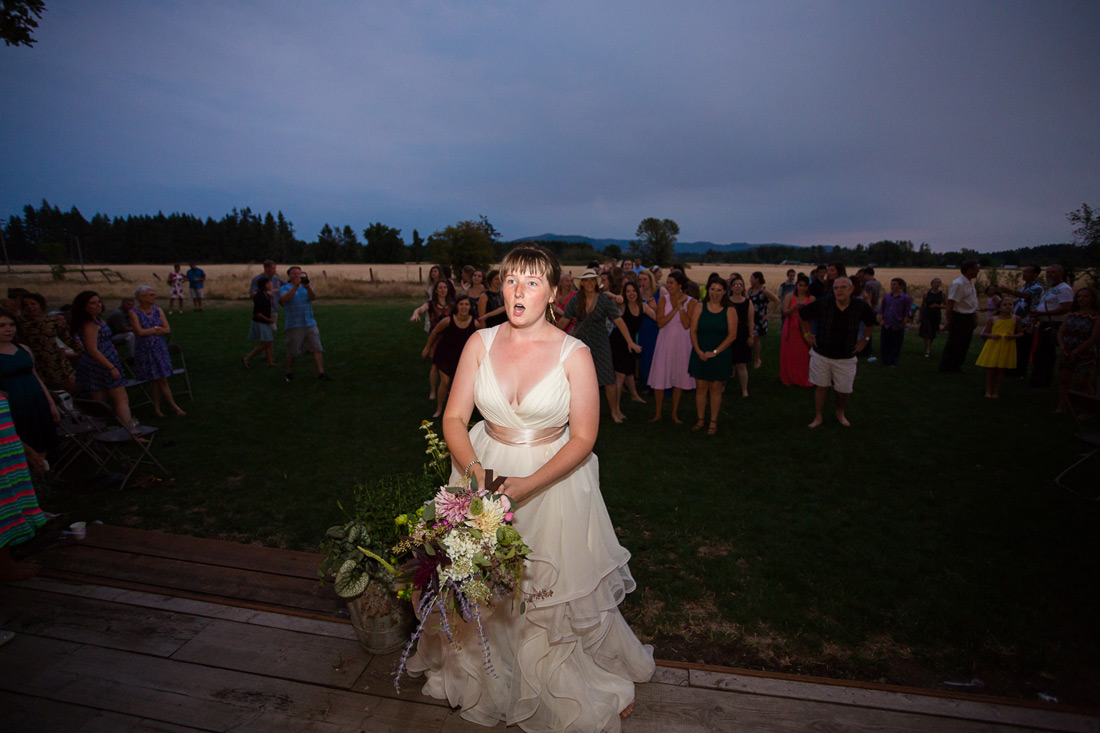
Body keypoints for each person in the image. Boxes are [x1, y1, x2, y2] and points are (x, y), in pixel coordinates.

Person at [407, 245, 654, 730]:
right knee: (484, 586)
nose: (519, 291)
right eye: (512, 280)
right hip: (482, 466)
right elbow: (455, 417)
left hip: (552, 482)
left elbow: (583, 437)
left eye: (532, 282)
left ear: (554, 294)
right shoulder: (479, 342)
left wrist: (522, 488)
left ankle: (563, 681)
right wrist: (478, 475)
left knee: (544, 594)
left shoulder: (575, 353)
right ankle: (491, 674)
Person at [559, 269, 640, 423]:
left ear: (596, 283)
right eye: (586, 280)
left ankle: (615, 412)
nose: (589, 283)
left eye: (592, 280)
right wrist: (547, 335)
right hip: (580, 344)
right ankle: (576, 413)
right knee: (578, 380)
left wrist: (630, 341)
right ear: (582, 283)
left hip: (601, 343)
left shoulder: (603, 300)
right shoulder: (575, 301)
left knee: (608, 379)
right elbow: (564, 322)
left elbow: (618, 320)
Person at [798, 277, 876, 428]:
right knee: (821, 387)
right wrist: (807, 335)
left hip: (846, 356)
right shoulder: (823, 303)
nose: (839, 290)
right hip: (821, 354)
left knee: (844, 390)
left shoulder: (859, 306)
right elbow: (802, 315)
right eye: (836, 288)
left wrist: (864, 339)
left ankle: (840, 412)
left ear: (851, 289)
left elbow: (871, 322)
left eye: (843, 287)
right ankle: (818, 416)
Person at [0, 308, 60, 469]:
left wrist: (51, 403)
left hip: (35, 398)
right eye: (2, 325)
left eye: (11, 324)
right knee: (23, 438)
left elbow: (36, 376)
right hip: (13, 404)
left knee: (42, 435)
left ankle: (45, 471)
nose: (9, 329)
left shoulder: (23, 349)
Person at [0, 394, 47, 582]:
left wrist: (27, 451)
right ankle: (5, 568)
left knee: (6, 510)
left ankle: (6, 562)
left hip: (7, 455)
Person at [70, 291, 135, 427]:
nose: (97, 305)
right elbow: (92, 349)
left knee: (99, 400)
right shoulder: (90, 325)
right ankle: (131, 431)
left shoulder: (98, 320)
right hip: (101, 364)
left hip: (105, 360)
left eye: (99, 302)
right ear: (84, 307)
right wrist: (111, 367)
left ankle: (98, 429)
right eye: (92, 303)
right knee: (121, 399)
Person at [688, 275, 736, 435]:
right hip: (700, 352)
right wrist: (698, 351)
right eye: (712, 289)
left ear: (724, 292)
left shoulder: (730, 310)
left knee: (715, 389)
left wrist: (714, 352)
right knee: (700, 388)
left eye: (719, 290)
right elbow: (693, 330)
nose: (715, 293)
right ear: (708, 290)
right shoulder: (700, 307)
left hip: (720, 354)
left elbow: (732, 335)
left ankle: (713, 422)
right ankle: (701, 419)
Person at [128, 286, 185, 417]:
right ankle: (171, 407)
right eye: (151, 295)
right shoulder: (134, 312)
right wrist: (155, 329)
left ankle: (161, 408)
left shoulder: (157, 310)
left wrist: (149, 331)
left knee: (160, 379)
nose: (154, 297)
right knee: (156, 379)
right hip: (145, 350)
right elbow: (138, 332)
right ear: (142, 298)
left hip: (159, 347)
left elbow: (167, 329)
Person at [647, 269, 695, 423]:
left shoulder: (691, 302)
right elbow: (660, 323)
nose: (668, 286)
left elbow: (687, 324)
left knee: (678, 377)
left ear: (680, 285)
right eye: (667, 283)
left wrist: (681, 307)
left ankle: (674, 413)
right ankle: (658, 413)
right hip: (665, 342)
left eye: (671, 283)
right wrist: (675, 307)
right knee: (660, 376)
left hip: (681, 343)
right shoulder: (663, 300)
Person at [423, 296, 479, 418]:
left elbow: (482, 338)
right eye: (461, 304)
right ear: (457, 306)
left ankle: (467, 410)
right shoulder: (448, 320)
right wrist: (427, 347)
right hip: (445, 354)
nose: (464, 307)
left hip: (463, 357)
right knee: (445, 381)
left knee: (467, 384)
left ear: (470, 307)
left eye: (466, 304)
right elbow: (434, 332)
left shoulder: (475, 323)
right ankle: (439, 409)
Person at [19, 293, 81, 393]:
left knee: (73, 387)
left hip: (56, 360)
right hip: (36, 362)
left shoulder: (52, 321)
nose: (30, 307)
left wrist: (82, 351)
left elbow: (67, 338)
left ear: (40, 304)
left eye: (33, 304)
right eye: (26, 305)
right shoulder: (20, 323)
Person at [609, 281, 654, 417]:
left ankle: (634, 396)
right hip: (618, 342)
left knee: (628, 372)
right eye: (628, 291)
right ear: (624, 294)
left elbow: (659, 318)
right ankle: (616, 409)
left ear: (638, 292)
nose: (631, 294)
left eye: (633, 291)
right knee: (620, 375)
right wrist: (614, 296)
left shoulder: (643, 306)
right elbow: (604, 294)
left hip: (631, 342)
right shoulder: (622, 305)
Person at [279, 266, 331, 382]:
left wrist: (307, 288)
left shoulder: (306, 287)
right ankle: (288, 373)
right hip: (294, 324)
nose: (297, 275)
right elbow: (285, 299)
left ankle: (321, 373)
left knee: (317, 348)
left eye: (299, 273)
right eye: (294, 273)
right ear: (289, 276)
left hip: (309, 322)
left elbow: (313, 297)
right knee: (292, 350)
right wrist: (296, 286)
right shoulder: (285, 288)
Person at [1055, 287, 1100, 413]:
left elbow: (1094, 337)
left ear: (1093, 299)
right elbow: (1061, 331)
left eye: (1085, 296)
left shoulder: (1096, 317)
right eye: (1079, 296)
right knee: (1064, 379)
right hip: (1067, 349)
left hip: (1086, 351)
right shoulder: (1071, 314)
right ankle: (1062, 406)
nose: (1081, 299)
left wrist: (1077, 351)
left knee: (1083, 381)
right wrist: (1062, 346)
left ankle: (1087, 410)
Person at [411, 279, 457, 401]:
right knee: (435, 365)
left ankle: (446, 388)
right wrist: (416, 313)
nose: (443, 290)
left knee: (449, 364)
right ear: (436, 290)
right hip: (436, 337)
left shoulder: (452, 304)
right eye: (440, 288)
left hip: (450, 338)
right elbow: (420, 309)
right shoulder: (431, 304)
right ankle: (432, 390)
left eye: (445, 288)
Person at [1030, 264, 1074, 388]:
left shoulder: (1064, 289)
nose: (1050, 275)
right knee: (1042, 353)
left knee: (1044, 353)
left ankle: (1042, 381)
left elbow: (1065, 307)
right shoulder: (1051, 289)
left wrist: (1043, 313)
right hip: (1045, 323)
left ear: (1061, 274)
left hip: (1054, 324)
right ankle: (1040, 379)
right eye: (1048, 272)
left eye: (1053, 272)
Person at [997, 264, 1044, 378]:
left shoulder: (1037, 287)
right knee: (1014, 346)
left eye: (1027, 272)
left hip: (1027, 321)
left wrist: (1009, 291)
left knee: (1023, 348)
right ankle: (1012, 369)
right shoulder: (1024, 286)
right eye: (1024, 271)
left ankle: (1020, 372)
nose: (1024, 274)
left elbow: (1026, 296)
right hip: (1018, 320)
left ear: (1035, 274)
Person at [975, 296, 1022, 399]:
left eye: (1010, 304)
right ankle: (988, 390)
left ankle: (996, 391)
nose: (1008, 307)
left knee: (1001, 369)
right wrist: (992, 336)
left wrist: (1013, 336)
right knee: (991, 368)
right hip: (994, 345)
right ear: (999, 307)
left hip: (1007, 345)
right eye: (1005, 305)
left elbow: (1021, 333)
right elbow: (985, 333)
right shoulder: (993, 319)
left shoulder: (1016, 319)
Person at [939, 261, 980, 374]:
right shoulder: (959, 284)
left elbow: (971, 301)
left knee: (964, 343)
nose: (978, 271)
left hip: (968, 316)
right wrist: (948, 321)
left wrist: (974, 315)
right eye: (976, 269)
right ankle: (947, 366)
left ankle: (956, 365)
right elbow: (951, 303)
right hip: (959, 317)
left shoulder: (970, 283)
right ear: (969, 270)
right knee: (954, 343)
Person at [780, 274, 814, 387]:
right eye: (800, 285)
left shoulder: (812, 298)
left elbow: (815, 315)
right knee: (790, 353)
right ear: (797, 285)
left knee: (804, 353)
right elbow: (784, 312)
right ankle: (789, 377)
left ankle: (803, 376)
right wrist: (793, 308)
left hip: (805, 327)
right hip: (791, 327)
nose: (802, 288)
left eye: (805, 286)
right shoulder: (790, 296)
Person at [636, 268, 664, 390]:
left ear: (650, 279)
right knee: (645, 355)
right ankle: (646, 383)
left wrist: (655, 308)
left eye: (645, 279)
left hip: (657, 327)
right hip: (643, 327)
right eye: (640, 280)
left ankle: (657, 383)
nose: (642, 282)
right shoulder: (638, 293)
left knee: (656, 355)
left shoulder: (660, 291)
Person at [727, 276, 754, 397]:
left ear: (743, 287)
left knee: (741, 364)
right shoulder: (726, 301)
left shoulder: (748, 302)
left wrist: (751, 335)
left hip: (742, 334)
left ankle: (745, 389)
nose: (738, 287)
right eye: (735, 285)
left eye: (740, 285)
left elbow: (751, 321)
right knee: (727, 361)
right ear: (731, 287)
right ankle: (722, 386)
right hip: (728, 332)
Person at [747, 272, 780, 369]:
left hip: (760, 319)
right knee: (751, 337)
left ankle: (757, 359)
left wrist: (769, 314)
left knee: (756, 338)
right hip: (751, 317)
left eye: (752, 278)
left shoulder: (764, 291)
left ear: (757, 279)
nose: (750, 280)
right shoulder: (750, 290)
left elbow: (776, 300)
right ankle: (750, 357)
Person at [878, 278, 914, 367]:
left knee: (896, 344)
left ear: (900, 286)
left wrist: (903, 322)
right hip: (887, 323)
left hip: (897, 324)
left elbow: (907, 312)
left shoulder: (905, 298)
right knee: (885, 343)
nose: (892, 286)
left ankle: (893, 360)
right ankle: (885, 359)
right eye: (892, 284)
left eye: (895, 284)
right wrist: (882, 320)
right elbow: (882, 309)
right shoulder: (887, 297)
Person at [243, 276, 276, 368]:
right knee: (265, 343)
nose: (271, 285)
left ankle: (269, 362)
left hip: (265, 322)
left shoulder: (266, 295)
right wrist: (268, 320)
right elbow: (257, 313)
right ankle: (247, 358)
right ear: (263, 285)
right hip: (260, 322)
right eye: (268, 283)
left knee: (268, 341)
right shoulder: (259, 296)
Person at [249, 259, 285, 330]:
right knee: (269, 330)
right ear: (266, 268)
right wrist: (264, 293)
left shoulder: (277, 280)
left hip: (274, 309)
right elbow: (252, 293)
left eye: (275, 268)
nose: (275, 271)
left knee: (271, 331)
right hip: (264, 310)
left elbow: (288, 286)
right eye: (273, 269)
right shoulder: (257, 279)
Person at [918, 278, 946, 358]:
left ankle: (928, 346)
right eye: (935, 282)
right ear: (932, 284)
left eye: (938, 283)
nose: (936, 284)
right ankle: (927, 350)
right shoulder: (926, 294)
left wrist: (938, 306)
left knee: (933, 332)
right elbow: (922, 305)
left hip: (936, 314)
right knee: (927, 331)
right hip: (927, 314)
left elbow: (946, 305)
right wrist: (920, 315)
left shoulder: (942, 294)